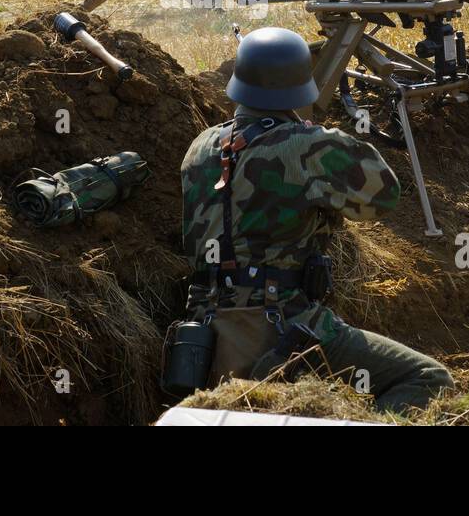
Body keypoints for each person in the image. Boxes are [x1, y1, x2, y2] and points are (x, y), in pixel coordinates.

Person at [179, 27, 454, 413]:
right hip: (280, 325)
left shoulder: (200, 146)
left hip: (203, 335)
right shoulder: (308, 145)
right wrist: (327, 138)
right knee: (429, 380)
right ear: (300, 87)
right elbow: (383, 197)